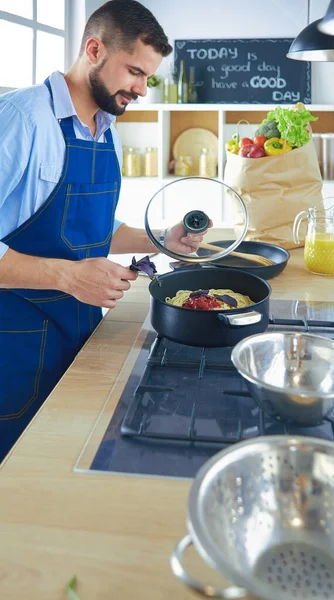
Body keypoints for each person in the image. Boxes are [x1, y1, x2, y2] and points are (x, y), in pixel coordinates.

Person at [0, 0, 207, 462]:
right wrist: (67, 277)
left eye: (148, 77)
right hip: (11, 344)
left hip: (79, 335)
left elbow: (87, 228)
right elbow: (64, 255)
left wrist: (160, 239)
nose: (141, 88)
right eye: (134, 71)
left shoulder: (104, 126)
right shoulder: (19, 120)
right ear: (93, 49)